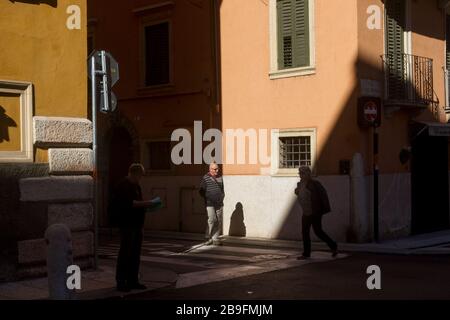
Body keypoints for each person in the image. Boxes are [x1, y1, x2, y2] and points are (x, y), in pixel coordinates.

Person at [114, 163, 152, 292]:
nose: (140, 178)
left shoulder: (136, 186)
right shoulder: (123, 185)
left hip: (137, 224)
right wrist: (147, 203)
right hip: (127, 224)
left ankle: (133, 280)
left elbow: (137, 202)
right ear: (134, 173)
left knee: (135, 254)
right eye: (140, 175)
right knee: (125, 253)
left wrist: (145, 206)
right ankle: (121, 281)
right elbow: (130, 203)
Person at [295, 166, 338, 259]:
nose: (301, 175)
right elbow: (300, 193)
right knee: (305, 232)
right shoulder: (300, 184)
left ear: (308, 174)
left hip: (315, 212)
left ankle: (333, 246)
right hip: (306, 212)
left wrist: (322, 210)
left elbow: (323, 196)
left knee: (318, 231)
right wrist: (297, 191)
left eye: (303, 173)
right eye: (300, 173)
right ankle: (306, 253)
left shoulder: (315, 184)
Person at [199, 161, 225, 245]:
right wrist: (207, 198)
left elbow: (222, 189)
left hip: (219, 203)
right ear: (210, 169)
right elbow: (201, 191)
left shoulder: (220, 177)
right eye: (215, 169)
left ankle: (215, 238)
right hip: (210, 203)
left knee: (218, 221)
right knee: (212, 220)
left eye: (218, 169)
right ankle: (208, 237)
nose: (217, 170)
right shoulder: (205, 178)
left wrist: (222, 197)